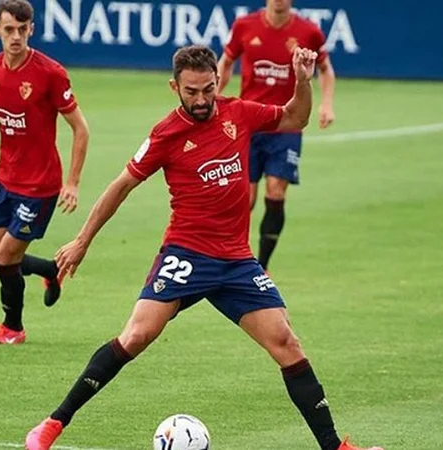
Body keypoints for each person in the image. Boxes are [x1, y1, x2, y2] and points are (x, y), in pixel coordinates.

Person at [24, 46, 380, 450]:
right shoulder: (165, 134)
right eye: (191, 91)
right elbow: (121, 185)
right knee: (137, 335)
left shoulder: (238, 113)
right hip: (186, 254)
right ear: (175, 86)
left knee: (286, 342)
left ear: (217, 82)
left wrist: (301, 80)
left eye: (208, 89)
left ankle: (336, 447)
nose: (200, 100)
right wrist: (82, 240)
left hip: (236, 262)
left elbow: (296, 117)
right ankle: (52, 424)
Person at [0, 0, 90, 345]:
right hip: (5, 181)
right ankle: (49, 269)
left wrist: (72, 183)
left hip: (40, 186)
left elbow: (81, 129)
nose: (15, 37)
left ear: (31, 29)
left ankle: (13, 328)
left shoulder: (50, 73)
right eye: (8, 30)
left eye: (22, 29)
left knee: (5, 258)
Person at [218, 0, 337, 271]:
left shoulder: (309, 32)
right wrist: (214, 94)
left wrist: (326, 103)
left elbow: (325, 69)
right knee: (243, 198)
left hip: (286, 124)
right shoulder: (244, 26)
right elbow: (226, 62)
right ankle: (230, 255)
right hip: (249, 124)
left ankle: (261, 265)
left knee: (276, 191)